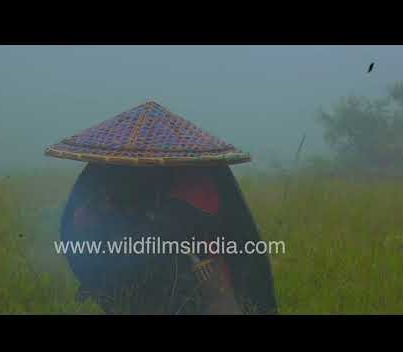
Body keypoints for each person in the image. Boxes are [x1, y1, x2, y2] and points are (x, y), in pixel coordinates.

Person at [46, 101, 278, 314]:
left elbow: (183, 227)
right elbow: (82, 226)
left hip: (203, 274)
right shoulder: (110, 189)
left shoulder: (195, 184)